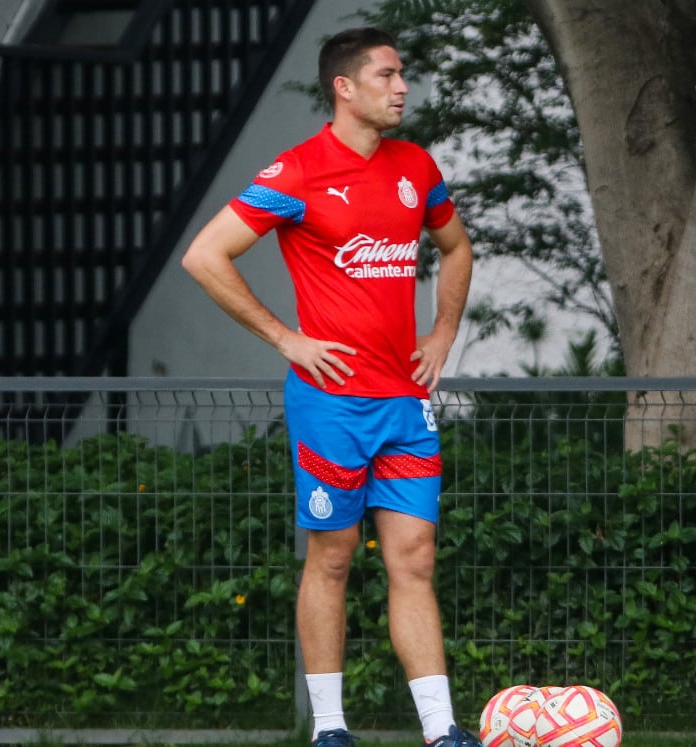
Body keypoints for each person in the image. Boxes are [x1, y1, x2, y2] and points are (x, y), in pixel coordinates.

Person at [181, 27, 480, 747]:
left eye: (402, 73)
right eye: (386, 74)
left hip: (405, 403)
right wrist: (285, 338)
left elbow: (456, 245)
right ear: (344, 88)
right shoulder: (298, 173)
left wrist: (441, 334)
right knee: (334, 556)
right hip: (331, 405)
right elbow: (204, 254)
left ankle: (442, 733)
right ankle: (330, 728)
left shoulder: (416, 166)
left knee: (415, 558)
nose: (402, 86)